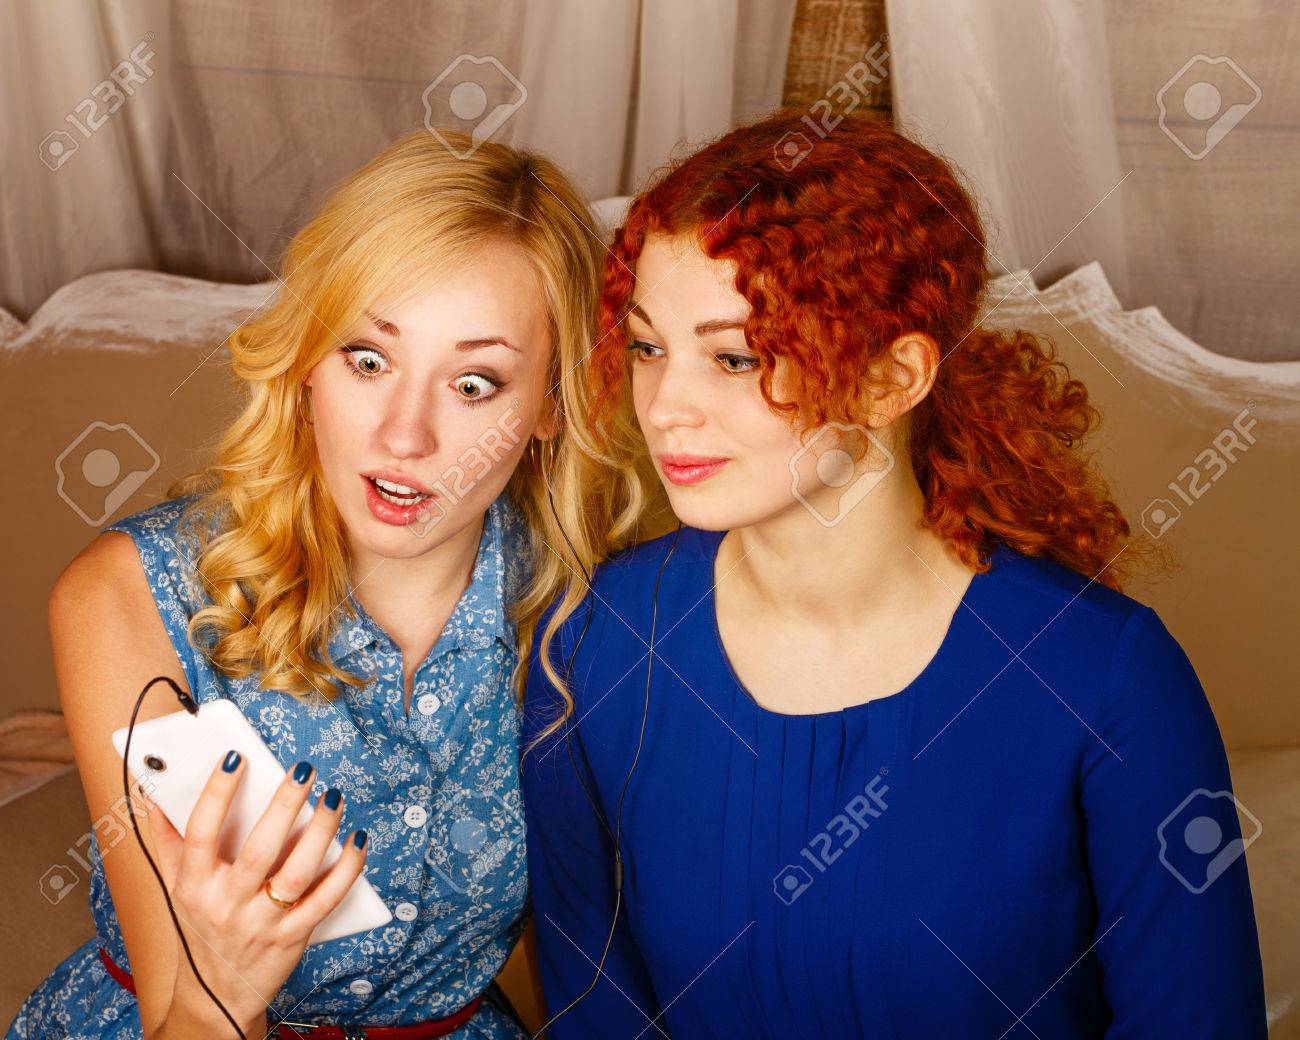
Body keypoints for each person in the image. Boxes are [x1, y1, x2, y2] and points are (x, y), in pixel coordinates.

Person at [520, 109, 1268, 1037]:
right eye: (647, 347)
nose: (666, 406)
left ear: (892, 378)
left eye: (735, 357)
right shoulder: (594, 644)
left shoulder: (1109, 676)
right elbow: (595, 1008)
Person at [8, 128, 607, 1039]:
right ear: (306, 363)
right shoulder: (130, 594)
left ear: (552, 406)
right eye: (368, 359)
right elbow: (182, 1015)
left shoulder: (591, 615)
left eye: (474, 384)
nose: (404, 436)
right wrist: (220, 989)